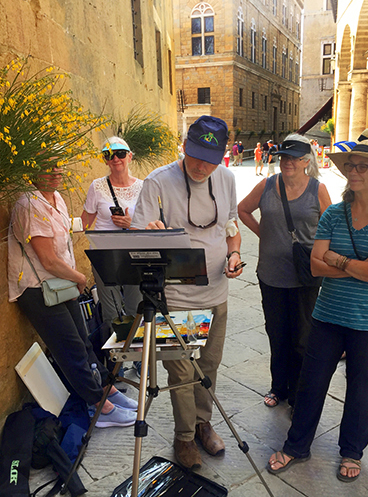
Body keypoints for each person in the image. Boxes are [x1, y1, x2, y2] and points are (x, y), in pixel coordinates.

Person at [266, 139, 368, 482]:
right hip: (328, 315)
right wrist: (359, 264)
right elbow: (316, 266)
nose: (353, 172)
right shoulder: (334, 213)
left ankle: (352, 452)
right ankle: (296, 445)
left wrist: (340, 260)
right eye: (351, 166)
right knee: (310, 384)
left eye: (363, 166)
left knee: (361, 389)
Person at [131, 115, 244, 469]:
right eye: (195, 157)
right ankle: (183, 438)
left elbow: (231, 226)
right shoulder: (157, 182)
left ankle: (202, 423)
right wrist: (151, 233)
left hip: (216, 292)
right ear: (183, 147)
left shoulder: (225, 178)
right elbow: (138, 236)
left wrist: (235, 253)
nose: (201, 167)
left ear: (221, 157)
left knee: (208, 366)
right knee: (180, 373)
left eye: (210, 161)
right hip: (174, 298)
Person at [8, 165, 138, 428]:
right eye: (49, 167)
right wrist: (79, 277)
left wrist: (72, 276)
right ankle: (98, 407)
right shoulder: (29, 205)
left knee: (83, 342)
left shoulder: (56, 199)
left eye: (58, 166)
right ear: (33, 171)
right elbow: (46, 259)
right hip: (39, 288)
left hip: (61, 284)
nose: (56, 172)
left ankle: (106, 388)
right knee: (71, 350)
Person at [238, 134, 331, 413]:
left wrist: (321, 253)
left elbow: (332, 227)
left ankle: (299, 392)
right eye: (284, 157)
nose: (288, 162)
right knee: (276, 334)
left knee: (302, 338)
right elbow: (242, 210)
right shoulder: (267, 185)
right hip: (271, 274)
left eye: (294, 158)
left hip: (305, 276)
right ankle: (279, 386)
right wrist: (262, 233)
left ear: (306, 161)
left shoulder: (318, 189)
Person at [81, 137, 143, 327]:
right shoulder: (97, 186)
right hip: (104, 255)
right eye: (109, 155)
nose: (116, 158)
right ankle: (114, 355)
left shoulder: (142, 186)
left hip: (134, 255)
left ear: (130, 156)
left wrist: (132, 223)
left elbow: (152, 224)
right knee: (111, 313)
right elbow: (85, 222)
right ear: (105, 160)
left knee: (136, 308)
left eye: (121, 154)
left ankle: (137, 353)